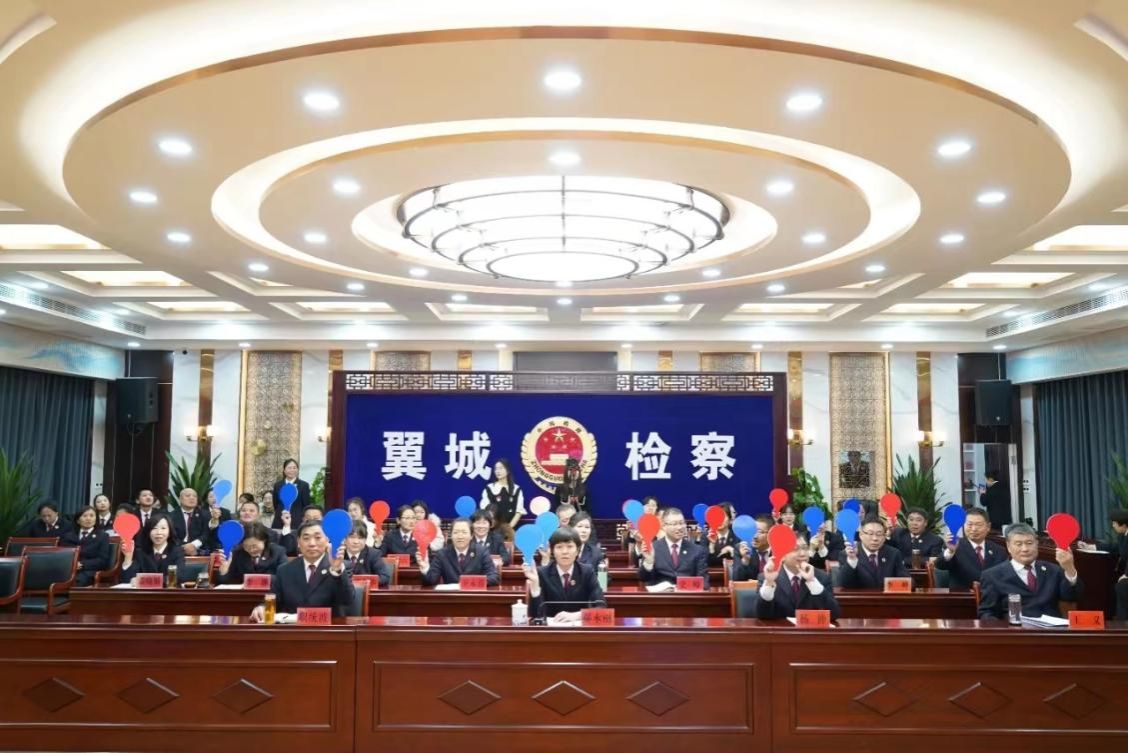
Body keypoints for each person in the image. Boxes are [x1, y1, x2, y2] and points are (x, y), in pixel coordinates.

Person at [250, 520, 355, 621]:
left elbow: (348, 600)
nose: (312, 543)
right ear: (298, 542)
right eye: (306, 538)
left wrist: (336, 569)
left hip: (328, 628)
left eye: (318, 537)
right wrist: (262, 607)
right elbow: (273, 599)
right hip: (293, 629)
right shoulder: (284, 570)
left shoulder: (343, 566)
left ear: (327, 540)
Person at [978, 523, 1080, 619]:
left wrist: (1069, 568)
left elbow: (1072, 597)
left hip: (1052, 629)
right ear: (1008, 547)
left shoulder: (1053, 570)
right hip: (1017, 629)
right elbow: (986, 612)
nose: (1025, 549)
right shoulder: (992, 576)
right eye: (1018, 544)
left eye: (1029, 543)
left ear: (1037, 544)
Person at [524, 526, 606, 620]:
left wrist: (577, 616)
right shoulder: (542, 573)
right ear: (553, 551)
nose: (565, 552)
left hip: (578, 627)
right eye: (559, 547)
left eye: (570, 546)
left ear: (577, 551)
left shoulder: (587, 572)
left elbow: (602, 607)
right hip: (551, 627)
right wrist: (535, 586)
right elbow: (535, 615)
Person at [755, 535, 841, 620]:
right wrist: (769, 583)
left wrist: (812, 581)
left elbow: (834, 614)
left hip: (810, 628)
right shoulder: (767, 578)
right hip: (781, 628)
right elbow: (762, 615)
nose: (802, 554)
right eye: (795, 549)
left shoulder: (821, 577)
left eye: (805, 548)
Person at [933, 507, 1006, 589]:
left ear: (988, 527)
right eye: (969, 524)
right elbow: (940, 565)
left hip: (992, 595)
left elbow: (1004, 576)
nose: (974, 529)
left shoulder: (999, 550)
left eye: (978, 525)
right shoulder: (954, 546)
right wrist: (950, 551)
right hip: (964, 595)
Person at [639, 508, 709, 588]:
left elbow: (704, 583)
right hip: (660, 595)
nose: (679, 527)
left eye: (681, 523)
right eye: (674, 524)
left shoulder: (697, 550)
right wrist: (649, 562)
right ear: (664, 526)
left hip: (687, 594)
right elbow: (643, 578)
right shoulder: (653, 548)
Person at [420, 518, 500, 587]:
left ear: (471, 535)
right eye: (456, 532)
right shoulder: (442, 554)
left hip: (474, 596)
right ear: (451, 535)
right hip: (451, 597)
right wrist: (425, 568)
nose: (460, 536)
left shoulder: (481, 552)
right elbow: (431, 581)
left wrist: (469, 583)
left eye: (464, 532)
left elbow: (494, 577)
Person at [837, 516, 909, 589]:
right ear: (861, 535)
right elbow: (843, 584)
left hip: (886, 595)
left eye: (879, 534)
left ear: (884, 537)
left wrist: (889, 587)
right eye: (870, 534)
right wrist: (852, 559)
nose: (875, 538)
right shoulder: (847, 554)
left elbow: (908, 582)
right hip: (860, 596)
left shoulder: (893, 553)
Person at [215, 522, 287, 585]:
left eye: (254, 546)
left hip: (271, 592)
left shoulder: (277, 552)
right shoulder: (237, 553)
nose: (251, 550)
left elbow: (284, 577)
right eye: (246, 546)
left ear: (264, 540)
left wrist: (258, 579)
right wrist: (224, 568)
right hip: (245, 594)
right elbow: (223, 582)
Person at [121, 517, 185, 581]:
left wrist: (145, 581)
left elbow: (177, 577)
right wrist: (128, 557)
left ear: (169, 532)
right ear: (148, 532)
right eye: (154, 528)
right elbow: (127, 580)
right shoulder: (141, 552)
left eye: (163, 528)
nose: (158, 532)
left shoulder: (177, 552)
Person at [62, 506, 112, 586]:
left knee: (77, 581)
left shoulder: (102, 536)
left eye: (92, 516)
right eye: (85, 516)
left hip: (89, 570)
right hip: (68, 569)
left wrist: (82, 564)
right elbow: (63, 555)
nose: (88, 519)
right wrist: (71, 564)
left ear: (96, 519)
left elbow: (102, 560)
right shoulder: (68, 536)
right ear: (78, 520)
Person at [480, 458, 526, 537]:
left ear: (508, 470)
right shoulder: (489, 488)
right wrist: (494, 527)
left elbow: (519, 512)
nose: (498, 471)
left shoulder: (516, 489)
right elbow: (485, 510)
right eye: (496, 469)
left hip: (510, 530)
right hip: (492, 530)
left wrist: (508, 528)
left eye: (501, 468)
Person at [339, 521, 392, 587]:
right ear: (344, 539)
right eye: (352, 537)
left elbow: (384, 577)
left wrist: (364, 583)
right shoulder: (338, 554)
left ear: (365, 540)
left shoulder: (373, 554)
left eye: (360, 538)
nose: (356, 542)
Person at [270, 458, 310, 528]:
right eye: (289, 468)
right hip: (279, 520)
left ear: (297, 470)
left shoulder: (304, 485)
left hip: (296, 521)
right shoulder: (278, 485)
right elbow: (275, 503)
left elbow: (306, 505)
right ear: (284, 470)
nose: (292, 470)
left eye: (294, 468)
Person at [732, 515, 774, 581]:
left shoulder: (779, 550)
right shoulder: (742, 548)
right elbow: (736, 580)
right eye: (752, 531)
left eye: (759, 532)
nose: (754, 536)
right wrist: (745, 560)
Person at [698, 502, 739, 567]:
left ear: (730, 519)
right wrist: (711, 546)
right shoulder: (705, 536)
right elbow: (702, 562)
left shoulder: (737, 536)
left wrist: (732, 551)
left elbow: (741, 563)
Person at [170, 488, 209, 555]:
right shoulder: (171, 516)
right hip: (177, 550)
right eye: (188, 496)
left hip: (198, 549)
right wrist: (184, 548)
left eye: (195, 496)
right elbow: (172, 536)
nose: (192, 498)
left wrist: (193, 545)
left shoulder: (204, 514)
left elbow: (206, 533)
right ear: (180, 499)